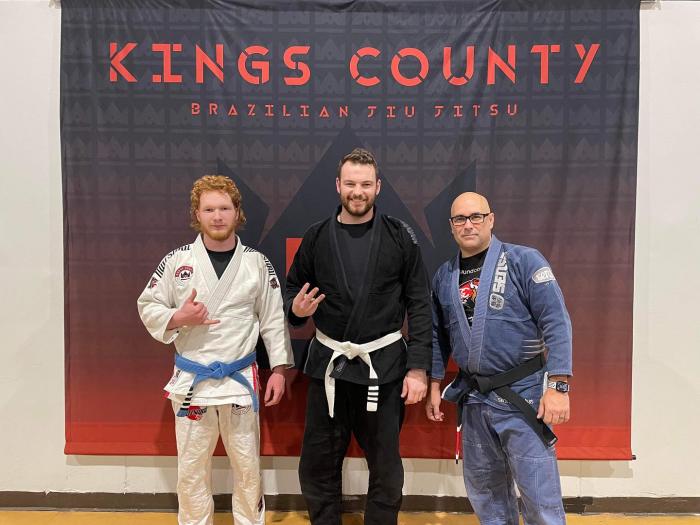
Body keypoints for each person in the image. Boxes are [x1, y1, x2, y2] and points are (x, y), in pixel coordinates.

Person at [284, 148, 432, 525]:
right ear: (338, 185)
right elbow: (291, 291)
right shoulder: (317, 236)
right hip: (329, 366)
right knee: (318, 462)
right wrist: (296, 310)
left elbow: (419, 303)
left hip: (382, 367)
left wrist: (418, 368)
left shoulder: (399, 237)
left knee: (385, 465)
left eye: (366, 184)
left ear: (378, 187)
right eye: (350, 183)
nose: (358, 191)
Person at [137, 175, 293, 525]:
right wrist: (179, 317)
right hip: (193, 381)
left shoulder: (257, 263)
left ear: (238, 212)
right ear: (197, 213)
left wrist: (280, 370)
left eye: (224, 208)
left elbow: (273, 318)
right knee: (191, 468)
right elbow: (148, 304)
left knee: (247, 465)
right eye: (209, 209)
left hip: (240, 380)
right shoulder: (177, 261)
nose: (218, 216)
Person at [426, 192, 572, 525]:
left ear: (491, 219)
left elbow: (556, 322)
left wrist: (559, 385)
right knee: (486, 494)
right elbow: (437, 337)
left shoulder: (524, 261)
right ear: (451, 226)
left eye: (476, 216)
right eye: (460, 219)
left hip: (524, 396)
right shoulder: (444, 276)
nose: (468, 225)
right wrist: (434, 384)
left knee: (540, 497)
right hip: (475, 400)